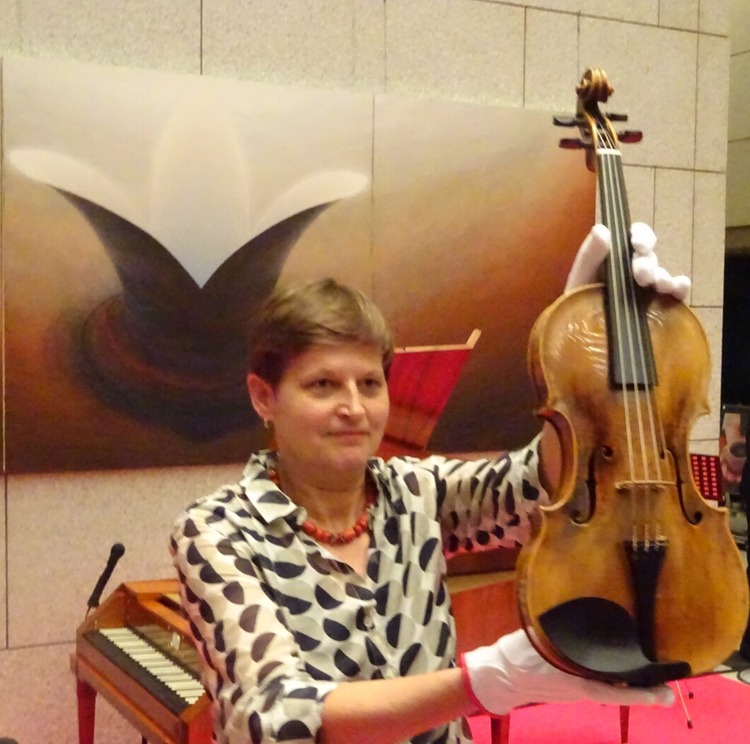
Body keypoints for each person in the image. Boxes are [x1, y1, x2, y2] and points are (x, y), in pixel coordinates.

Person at [170, 223, 687, 744]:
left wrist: (576, 340)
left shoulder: (415, 491)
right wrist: (483, 682)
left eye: (369, 384)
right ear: (264, 397)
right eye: (322, 384)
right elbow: (276, 716)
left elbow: (537, 482)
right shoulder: (216, 530)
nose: (354, 407)